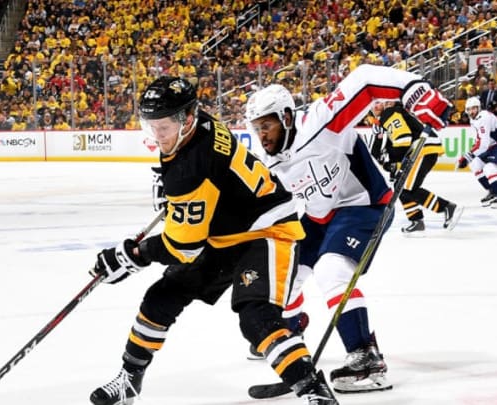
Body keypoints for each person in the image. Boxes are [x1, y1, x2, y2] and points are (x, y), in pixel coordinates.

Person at [89, 76, 339, 405]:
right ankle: (129, 381)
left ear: (187, 119)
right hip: (223, 232)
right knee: (161, 296)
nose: (156, 136)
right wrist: (181, 205)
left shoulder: (190, 168)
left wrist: (134, 255)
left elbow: (182, 247)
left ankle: (316, 394)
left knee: (257, 319)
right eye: (151, 126)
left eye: (162, 127)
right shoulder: (199, 123)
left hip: (267, 231)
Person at [243, 64, 452, 395]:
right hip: (318, 216)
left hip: (364, 204)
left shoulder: (321, 122)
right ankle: (292, 328)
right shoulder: (267, 159)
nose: (262, 134)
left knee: (331, 271)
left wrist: (415, 89)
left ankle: (367, 360)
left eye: (266, 125)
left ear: (285, 117)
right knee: (282, 273)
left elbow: (365, 80)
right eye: (257, 128)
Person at [377, 100, 464, 234]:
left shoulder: (389, 113)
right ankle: (416, 220)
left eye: (383, 101)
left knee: (406, 188)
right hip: (422, 148)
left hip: (422, 149)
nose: (380, 105)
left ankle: (446, 207)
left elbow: (403, 139)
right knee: (400, 187)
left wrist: (394, 163)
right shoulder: (397, 113)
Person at [457, 96, 497, 208]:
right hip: (494, 144)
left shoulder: (483, 117)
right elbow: (478, 141)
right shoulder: (473, 120)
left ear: (479, 108)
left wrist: (467, 157)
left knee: (489, 168)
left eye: (474, 108)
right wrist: (469, 156)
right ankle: (493, 191)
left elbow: (483, 145)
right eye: (469, 109)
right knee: (475, 165)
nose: (471, 111)